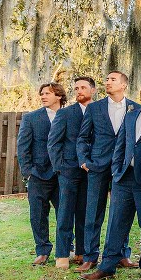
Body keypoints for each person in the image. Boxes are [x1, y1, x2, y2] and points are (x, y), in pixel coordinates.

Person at [81, 80, 141, 280]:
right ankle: (107, 266)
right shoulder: (131, 114)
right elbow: (121, 144)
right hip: (124, 177)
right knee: (115, 222)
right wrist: (117, 169)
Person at [76, 71, 138, 272]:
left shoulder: (135, 108)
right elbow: (83, 137)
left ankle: (121, 254)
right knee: (93, 212)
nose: (108, 82)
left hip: (123, 167)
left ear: (123, 85)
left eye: (113, 80)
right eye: (107, 79)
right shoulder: (95, 108)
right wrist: (84, 160)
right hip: (97, 165)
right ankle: (90, 256)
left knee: (122, 211)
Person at [48, 77, 95, 269]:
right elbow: (53, 143)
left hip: (92, 170)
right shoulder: (66, 113)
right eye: (76, 88)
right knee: (65, 212)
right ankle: (62, 254)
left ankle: (82, 252)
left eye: (83, 87)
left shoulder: (100, 110)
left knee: (86, 212)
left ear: (93, 89)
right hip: (68, 170)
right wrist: (60, 167)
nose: (79, 91)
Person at [18, 82, 66, 266]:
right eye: (42, 93)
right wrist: (28, 172)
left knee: (65, 212)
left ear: (59, 96)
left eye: (48, 93)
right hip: (38, 174)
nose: (43, 96)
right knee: (37, 214)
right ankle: (42, 250)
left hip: (63, 174)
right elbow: (23, 147)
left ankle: (66, 248)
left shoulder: (69, 115)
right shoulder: (31, 118)